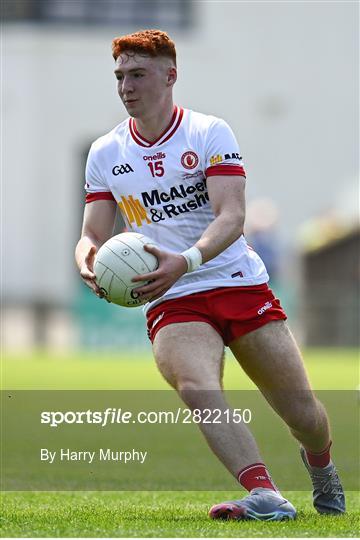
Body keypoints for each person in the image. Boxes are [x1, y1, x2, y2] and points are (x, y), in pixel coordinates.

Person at [75, 29, 345, 521]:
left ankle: (323, 467)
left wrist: (187, 259)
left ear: (170, 76)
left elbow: (231, 216)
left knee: (303, 416)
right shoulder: (105, 152)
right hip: (172, 295)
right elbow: (91, 234)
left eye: (137, 74)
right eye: (119, 76)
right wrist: (85, 259)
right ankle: (265, 495)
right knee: (196, 384)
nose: (126, 87)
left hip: (237, 281)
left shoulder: (208, 132)